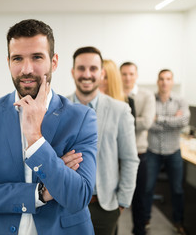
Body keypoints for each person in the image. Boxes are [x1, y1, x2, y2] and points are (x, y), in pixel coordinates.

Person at [0, 19, 98, 235]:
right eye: (17, 58)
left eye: (37, 57)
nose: (26, 69)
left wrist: (35, 138)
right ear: (8, 63)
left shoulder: (81, 118)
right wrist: (41, 193)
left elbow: (77, 196)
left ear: (54, 62)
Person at [67, 47, 139, 235]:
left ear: (102, 73)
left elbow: (130, 159)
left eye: (93, 68)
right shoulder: (57, 108)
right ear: (73, 72)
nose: (87, 74)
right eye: (81, 68)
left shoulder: (120, 110)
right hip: (65, 205)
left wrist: (122, 202)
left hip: (104, 207)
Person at [144, 69, 190, 235]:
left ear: (172, 81)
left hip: (173, 151)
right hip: (153, 151)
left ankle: (178, 222)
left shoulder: (180, 100)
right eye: (162, 79)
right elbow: (149, 123)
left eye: (168, 79)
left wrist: (159, 119)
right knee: (148, 188)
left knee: (177, 189)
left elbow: (184, 121)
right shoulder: (150, 100)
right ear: (158, 81)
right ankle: (145, 220)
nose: (165, 82)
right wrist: (173, 120)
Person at [120, 62, 156, 235]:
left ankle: (139, 231)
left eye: (131, 74)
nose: (128, 78)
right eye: (124, 74)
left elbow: (147, 122)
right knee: (113, 199)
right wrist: (135, 121)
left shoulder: (147, 96)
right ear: (120, 76)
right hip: (117, 156)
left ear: (136, 75)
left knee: (140, 198)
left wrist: (121, 123)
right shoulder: (114, 94)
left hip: (139, 153)